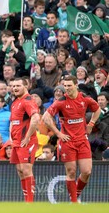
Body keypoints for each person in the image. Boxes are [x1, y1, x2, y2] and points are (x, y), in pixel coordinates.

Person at [42, 75, 101, 203]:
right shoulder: (61, 102)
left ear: (76, 85)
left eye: (69, 85)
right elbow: (45, 117)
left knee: (86, 171)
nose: (67, 88)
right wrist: (58, 133)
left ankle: (76, 194)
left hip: (82, 140)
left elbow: (97, 109)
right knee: (71, 171)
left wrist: (91, 124)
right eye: (65, 85)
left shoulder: (84, 99)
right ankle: (73, 202)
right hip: (67, 141)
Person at [9, 78, 41, 202]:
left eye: (18, 85)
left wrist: (27, 137)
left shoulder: (28, 101)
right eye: (13, 86)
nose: (15, 88)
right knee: (20, 170)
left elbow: (35, 118)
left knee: (26, 169)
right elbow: (13, 121)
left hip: (26, 141)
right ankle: (26, 199)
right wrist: (11, 137)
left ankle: (30, 202)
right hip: (17, 141)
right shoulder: (16, 101)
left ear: (25, 86)